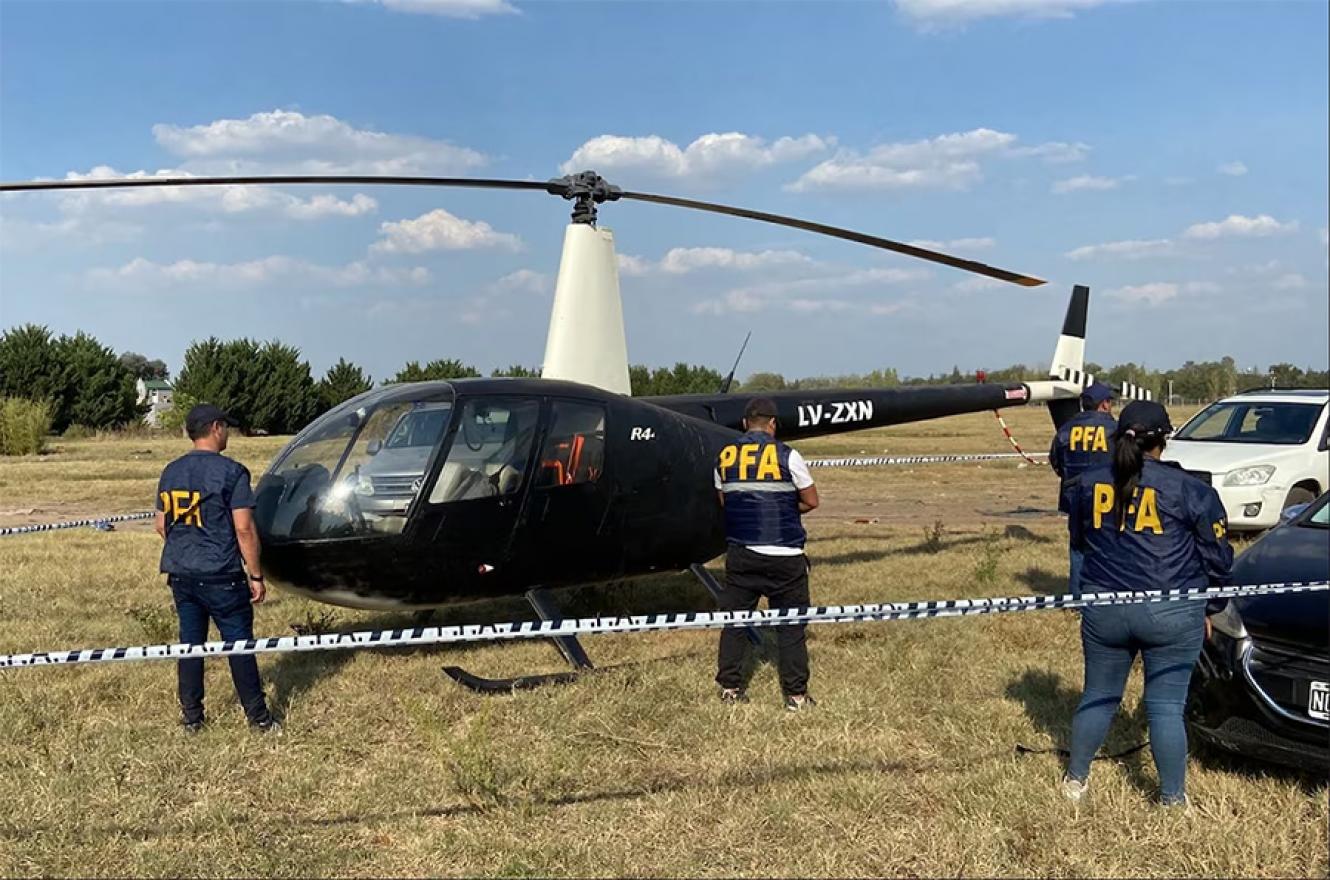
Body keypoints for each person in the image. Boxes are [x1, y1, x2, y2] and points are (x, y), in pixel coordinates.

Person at [1063, 400, 1232, 806]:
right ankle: (1173, 800)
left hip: (1104, 609)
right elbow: (1218, 557)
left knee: (1098, 696)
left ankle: (1074, 781)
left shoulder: (1086, 484)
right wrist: (1212, 606)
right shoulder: (1191, 490)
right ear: (1164, 439)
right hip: (1171, 612)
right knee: (1165, 708)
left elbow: (1080, 544)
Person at [156, 404, 278, 734]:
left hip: (181, 573)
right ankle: (259, 719)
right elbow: (244, 529)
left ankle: (192, 718)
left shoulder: (171, 471)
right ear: (215, 428)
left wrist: (187, 545)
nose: (228, 433)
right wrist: (255, 575)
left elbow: (160, 525)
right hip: (222, 575)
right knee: (239, 646)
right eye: (226, 427)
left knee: (190, 647)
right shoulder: (232, 472)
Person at [712, 397, 820, 711]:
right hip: (786, 554)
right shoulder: (789, 455)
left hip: (742, 553)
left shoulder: (725, 456)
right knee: (791, 625)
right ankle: (796, 696)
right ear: (772, 424)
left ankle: (730, 688)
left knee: (734, 622)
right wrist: (784, 509)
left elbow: (725, 500)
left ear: (745, 424)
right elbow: (812, 500)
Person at [1049, 381, 1117, 597]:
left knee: (1078, 547)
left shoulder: (1066, 430)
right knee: (1110, 546)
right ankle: (1105, 594)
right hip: (1107, 497)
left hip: (1075, 497)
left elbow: (1056, 462)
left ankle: (1077, 598)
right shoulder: (1115, 430)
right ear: (1104, 405)